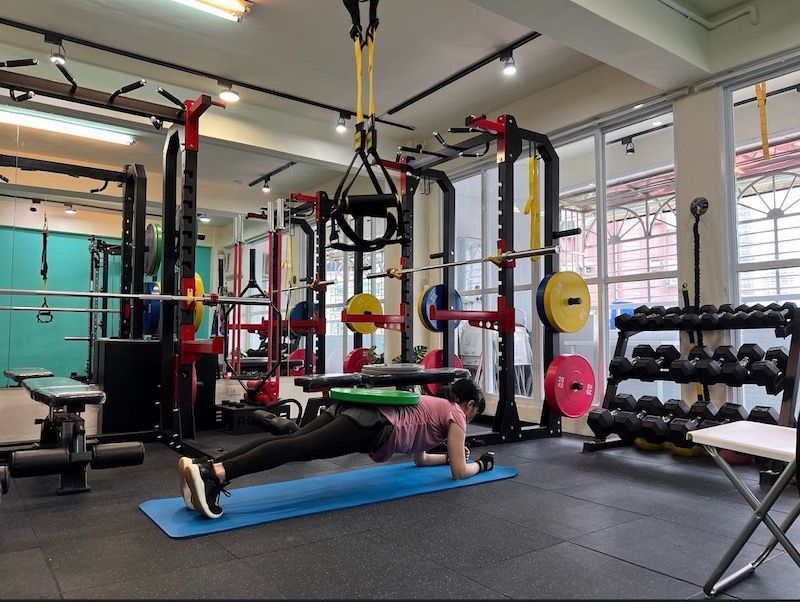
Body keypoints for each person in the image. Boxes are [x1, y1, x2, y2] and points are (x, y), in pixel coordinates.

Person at [181, 379, 495, 519]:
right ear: (468, 405)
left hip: (352, 408)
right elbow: (459, 473)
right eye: (474, 411)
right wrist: (480, 465)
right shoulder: (456, 414)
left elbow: (420, 459)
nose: (471, 417)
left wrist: (450, 457)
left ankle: (206, 466)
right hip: (373, 424)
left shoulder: (437, 407)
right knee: (298, 448)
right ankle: (215, 473)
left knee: (290, 442)